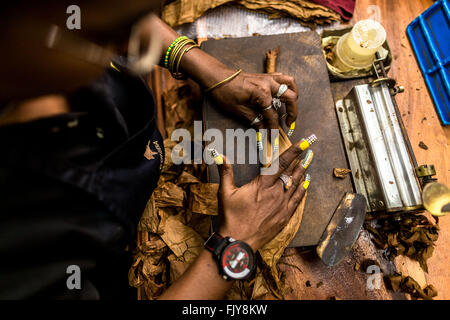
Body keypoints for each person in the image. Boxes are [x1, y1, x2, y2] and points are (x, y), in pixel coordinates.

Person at [0, 1, 312, 299]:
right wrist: (235, 245)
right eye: (100, 37)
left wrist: (207, 68)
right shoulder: (23, 234)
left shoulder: (40, 46)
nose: (139, 45)